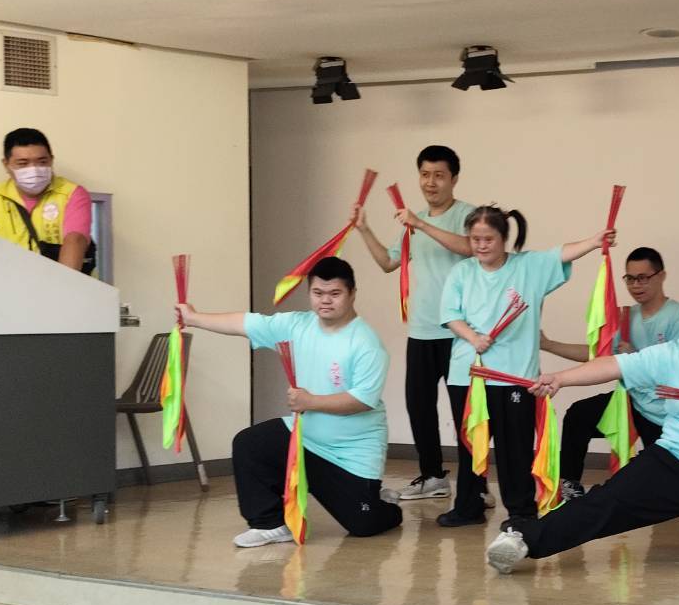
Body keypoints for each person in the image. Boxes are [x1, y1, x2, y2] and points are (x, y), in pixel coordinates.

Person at [484, 277, 679, 575]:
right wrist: (560, 379)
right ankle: (522, 539)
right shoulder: (674, 353)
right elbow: (613, 365)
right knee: (603, 505)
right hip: (675, 461)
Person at [177, 256, 403, 546]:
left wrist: (311, 401)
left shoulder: (365, 343)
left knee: (363, 524)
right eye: (318, 293)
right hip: (304, 439)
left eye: (335, 293)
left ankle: (382, 503)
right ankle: (270, 523)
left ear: (352, 294)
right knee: (250, 444)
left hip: (350, 455)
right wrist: (193, 318)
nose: (325, 301)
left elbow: (362, 401)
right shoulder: (297, 324)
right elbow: (245, 323)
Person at [439, 206, 614, 528]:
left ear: (504, 238)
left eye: (488, 239)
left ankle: (521, 512)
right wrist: (473, 337)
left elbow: (561, 253)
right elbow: (451, 315)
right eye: (475, 239)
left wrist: (594, 241)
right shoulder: (462, 272)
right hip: (468, 374)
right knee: (470, 443)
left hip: (514, 377)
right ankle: (468, 506)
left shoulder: (529, 266)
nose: (481, 245)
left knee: (515, 447)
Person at [353, 145, 479, 503]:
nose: (431, 182)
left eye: (439, 175)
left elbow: (471, 247)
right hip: (421, 330)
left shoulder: (467, 214)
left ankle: (476, 485)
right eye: (425, 174)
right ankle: (433, 476)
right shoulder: (414, 220)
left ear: (454, 178)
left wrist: (421, 225)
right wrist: (364, 229)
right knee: (419, 407)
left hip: (460, 333)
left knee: (465, 413)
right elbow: (387, 263)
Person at [540, 246, 679, 499]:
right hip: (631, 402)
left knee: (663, 481)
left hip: (665, 412)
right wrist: (549, 345)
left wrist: (635, 357)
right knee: (579, 415)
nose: (636, 285)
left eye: (643, 278)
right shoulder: (627, 316)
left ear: (661, 276)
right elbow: (599, 356)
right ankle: (570, 485)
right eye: (630, 278)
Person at [0, 127, 96, 274]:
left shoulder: (72, 194)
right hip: (8, 282)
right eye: (23, 163)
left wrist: (62, 284)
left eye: (42, 162)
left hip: (60, 281)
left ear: (51, 160)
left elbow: (75, 240)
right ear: (6, 164)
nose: (34, 169)